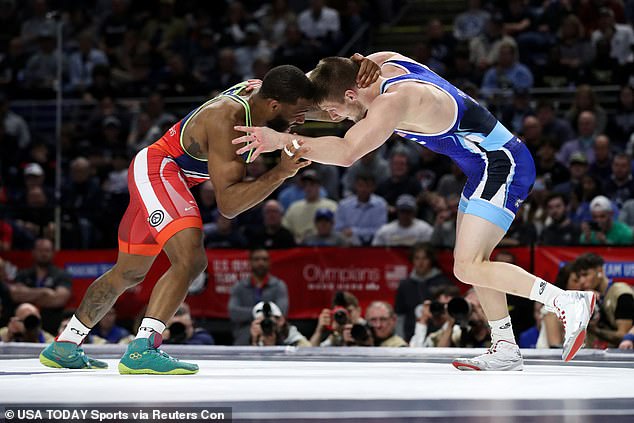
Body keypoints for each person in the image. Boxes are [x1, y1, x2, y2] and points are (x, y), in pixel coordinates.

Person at [233, 51, 597, 370]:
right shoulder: (381, 63)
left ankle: (566, 301)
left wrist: (282, 141)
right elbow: (332, 85)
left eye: (334, 111)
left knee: (467, 265)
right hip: (484, 165)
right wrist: (273, 97)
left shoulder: (393, 102)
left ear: (350, 93)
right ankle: (504, 346)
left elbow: (346, 153)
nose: (335, 118)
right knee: (475, 261)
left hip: (502, 164)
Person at [39, 65, 316, 375]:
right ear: (275, 105)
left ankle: (64, 346)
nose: (303, 120)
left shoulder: (266, 92)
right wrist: (281, 172)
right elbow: (228, 205)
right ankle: (143, 348)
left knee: (129, 272)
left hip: (165, 174)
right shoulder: (229, 121)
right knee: (191, 260)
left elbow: (313, 88)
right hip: (161, 170)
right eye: (300, 113)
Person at [228, 247, 289, 345]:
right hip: (244, 336)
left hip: (272, 334)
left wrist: (261, 317)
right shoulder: (239, 286)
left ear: (269, 262)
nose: (261, 263)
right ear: (250, 262)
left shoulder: (278, 285)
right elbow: (234, 312)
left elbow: (281, 311)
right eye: (256, 259)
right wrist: (259, 312)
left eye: (264, 259)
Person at [10, 238, 72, 334]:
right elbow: (16, 295)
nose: (43, 254)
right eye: (40, 250)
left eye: (47, 250)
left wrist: (28, 295)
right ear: (33, 252)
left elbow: (59, 299)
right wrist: (45, 292)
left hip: (52, 330)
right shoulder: (23, 274)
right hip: (25, 330)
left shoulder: (62, 275)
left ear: (53, 253)